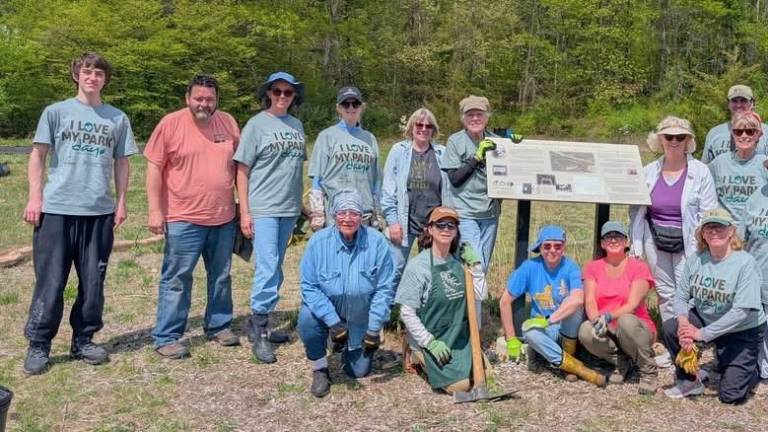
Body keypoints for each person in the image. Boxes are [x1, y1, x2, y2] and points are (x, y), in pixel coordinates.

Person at [22, 53, 138, 375]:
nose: (93, 77)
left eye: (99, 73)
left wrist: (122, 200)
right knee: (51, 281)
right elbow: (38, 155)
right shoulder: (55, 112)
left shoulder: (117, 118)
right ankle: (39, 345)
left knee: (93, 282)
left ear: (105, 79)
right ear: (77, 75)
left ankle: (83, 340)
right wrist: (36, 198)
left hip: (98, 212)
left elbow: (122, 162)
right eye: (87, 71)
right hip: (57, 211)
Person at [144, 74, 241, 359]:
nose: (204, 103)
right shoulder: (170, 124)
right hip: (183, 217)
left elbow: (240, 167)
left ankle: (219, 325)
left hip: (223, 217)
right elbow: (153, 168)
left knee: (221, 276)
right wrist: (155, 210)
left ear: (217, 100)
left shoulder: (229, 123)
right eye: (198, 98)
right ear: (188, 98)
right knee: (177, 278)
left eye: (209, 99)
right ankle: (167, 335)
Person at [233, 71, 306, 363]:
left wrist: (303, 206)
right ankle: (260, 332)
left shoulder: (297, 125)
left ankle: (261, 323)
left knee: (276, 266)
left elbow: (294, 171)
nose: (282, 97)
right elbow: (242, 170)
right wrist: (245, 211)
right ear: (268, 94)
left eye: (288, 93)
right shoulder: (256, 125)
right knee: (266, 267)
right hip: (263, 207)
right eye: (277, 92)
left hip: (288, 208)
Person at [297, 189, 395, 398]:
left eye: (354, 213)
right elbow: (309, 286)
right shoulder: (318, 243)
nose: (348, 219)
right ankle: (320, 368)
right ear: (333, 215)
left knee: (358, 372)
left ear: (362, 216)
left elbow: (384, 288)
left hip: (360, 317)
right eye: (342, 213)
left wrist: (374, 329)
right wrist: (333, 321)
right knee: (306, 319)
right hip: (328, 313)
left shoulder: (377, 243)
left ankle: (349, 344)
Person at [661, 208, 766, 403]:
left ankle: (754, 367)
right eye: (709, 228)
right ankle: (690, 380)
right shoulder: (696, 260)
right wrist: (684, 325)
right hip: (707, 319)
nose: (714, 232)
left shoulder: (745, 263)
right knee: (671, 328)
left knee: (730, 395)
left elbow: (741, 313)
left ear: (731, 231)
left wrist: (701, 334)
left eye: (720, 227)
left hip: (741, 330)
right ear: (702, 233)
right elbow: (681, 297)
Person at [629, 116, 718, 326]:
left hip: (689, 241)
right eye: (669, 136)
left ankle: (690, 339)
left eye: (680, 137)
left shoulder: (700, 172)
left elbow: (709, 212)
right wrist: (637, 244)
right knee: (665, 291)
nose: (674, 141)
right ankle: (672, 338)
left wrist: (705, 245)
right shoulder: (649, 171)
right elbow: (636, 211)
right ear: (661, 140)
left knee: (687, 290)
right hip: (655, 239)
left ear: (688, 141)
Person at [499, 225, 606, 387]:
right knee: (528, 330)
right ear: (540, 247)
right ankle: (577, 368)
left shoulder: (571, 266)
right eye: (547, 246)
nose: (552, 250)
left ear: (564, 247)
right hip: (545, 331)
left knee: (574, 305)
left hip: (565, 327)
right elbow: (505, 301)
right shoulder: (529, 267)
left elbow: (578, 298)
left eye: (558, 246)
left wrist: (549, 320)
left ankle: (567, 356)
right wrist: (511, 338)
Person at [395, 207, 487, 394]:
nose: (446, 229)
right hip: (432, 337)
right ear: (429, 229)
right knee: (460, 387)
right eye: (440, 225)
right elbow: (406, 311)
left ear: (456, 231)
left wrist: (476, 266)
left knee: (486, 374)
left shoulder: (460, 261)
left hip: (458, 336)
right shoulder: (418, 266)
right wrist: (430, 342)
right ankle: (413, 353)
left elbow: (481, 295)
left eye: (451, 225)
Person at [578, 221, 658, 394]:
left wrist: (608, 316)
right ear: (602, 243)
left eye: (618, 237)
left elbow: (632, 305)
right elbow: (590, 300)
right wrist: (596, 320)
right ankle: (620, 362)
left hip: (635, 328)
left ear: (626, 242)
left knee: (626, 321)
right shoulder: (592, 267)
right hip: (608, 329)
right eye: (608, 237)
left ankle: (648, 371)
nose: (613, 240)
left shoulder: (639, 267)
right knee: (585, 330)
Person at [381, 108, 449, 281]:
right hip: (404, 221)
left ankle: (425, 306)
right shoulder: (398, 151)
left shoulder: (442, 153)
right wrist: (393, 221)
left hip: (433, 224)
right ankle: (388, 306)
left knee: (433, 271)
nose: (424, 129)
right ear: (412, 126)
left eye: (429, 126)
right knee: (394, 268)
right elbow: (388, 190)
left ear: (434, 130)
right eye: (419, 124)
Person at [308, 86, 380, 229]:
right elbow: (317, 177)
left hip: (364, 211)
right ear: (338, 108)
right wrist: (317, 212)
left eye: (356, 104)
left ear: (362, 107)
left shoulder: (370, 138)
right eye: (346, 104)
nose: (351, 107)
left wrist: (378, 211)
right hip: (337, 213)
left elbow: (376, 180)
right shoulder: (326, 136)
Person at [441, 96, 499, 273]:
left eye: (479, 114)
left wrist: (516, 145)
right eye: (470, 115)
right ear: (463, 119)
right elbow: (455, 179)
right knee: (475, 265)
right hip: (465, 213)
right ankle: (468, 301)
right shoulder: (455, 141)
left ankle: (473, 301)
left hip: (490, 213)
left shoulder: (496, 140)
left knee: (483, 267)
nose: (475, 119)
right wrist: (477, 157)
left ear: (487, 117)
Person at [709, 111, 768, 225]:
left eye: (750, 131)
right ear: (732, 134)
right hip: (724, 230)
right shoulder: (719, 163)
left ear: (758, 135)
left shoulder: (765, 163)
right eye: (738, 132)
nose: (744, 136)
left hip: (754, 229)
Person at [738, 162, 768, 381]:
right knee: (758, 326)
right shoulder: (756, 197)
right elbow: (741, 238)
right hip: (759, 275)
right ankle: (760, 367)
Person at [701, 85, 768, 164]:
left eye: (743, 100)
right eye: (734, 101)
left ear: (752, 103)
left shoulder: (766, 132)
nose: (739, 105)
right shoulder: (714, 133)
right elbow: (705, 167)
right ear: (728, 104)